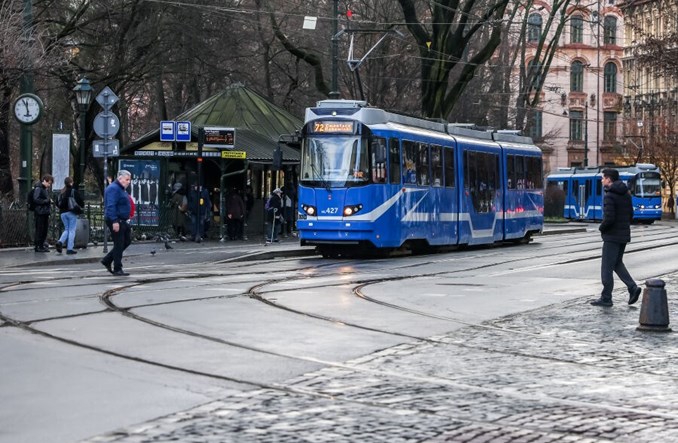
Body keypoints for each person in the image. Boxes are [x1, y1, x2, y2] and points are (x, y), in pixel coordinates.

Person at [591, 168, 642, 307]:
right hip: (623, 234)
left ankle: (606, 297)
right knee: (617, 263)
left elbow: (609, 218)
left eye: (603, 178)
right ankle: (632, 287)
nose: (602, 180)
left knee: (607, 267)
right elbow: (631, 215)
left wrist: (601, 228)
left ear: (609, 179)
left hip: (612, 236)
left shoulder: (609, 196)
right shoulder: (626, 194)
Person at [101, 170, 133, 276]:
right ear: (120, 178)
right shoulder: (114, 189)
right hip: (116, 220)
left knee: (126, 241)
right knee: (119, 243)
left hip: (122, 220)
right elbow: (111, 205)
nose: (129, 182)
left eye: (129, 180)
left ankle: (107, 260)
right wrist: (115, 221)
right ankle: (117, 268)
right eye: (127, 179)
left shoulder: (120, 189)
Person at [55, 177, 84, 255]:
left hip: (62, 213)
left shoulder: (61, 192)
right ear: (71, 183)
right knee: (71, 230)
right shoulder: (73, 191)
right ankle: (69, 249)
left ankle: (60, 241)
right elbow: (81, 202)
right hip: (71, 212)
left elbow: (57, 203)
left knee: (67, 229)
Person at [32, 174, 54, 252]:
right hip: (40, 212)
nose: (49, 185)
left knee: (44, 230)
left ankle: (41, 245)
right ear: (44, 181)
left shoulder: (44, 189)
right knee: (40, 229)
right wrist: (46, 201)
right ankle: (38, 246)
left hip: (44, 212)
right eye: (49, 183)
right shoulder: (38, 188)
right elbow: (36, 199)